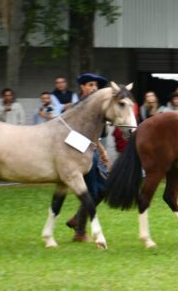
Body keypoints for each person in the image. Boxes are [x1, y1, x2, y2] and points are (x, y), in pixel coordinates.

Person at [65, 73, 111, 242]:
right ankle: (80, 232)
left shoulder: (96, 109)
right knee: (91, 191)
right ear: (82, 87)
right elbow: (68, 134)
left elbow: (97, 134)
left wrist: (101, 150)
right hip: (78, 154)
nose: (94, 88)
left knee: (104, 189)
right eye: (90, 85)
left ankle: (77, 219)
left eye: (96, 86)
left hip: (92, 151)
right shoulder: (76, 107)